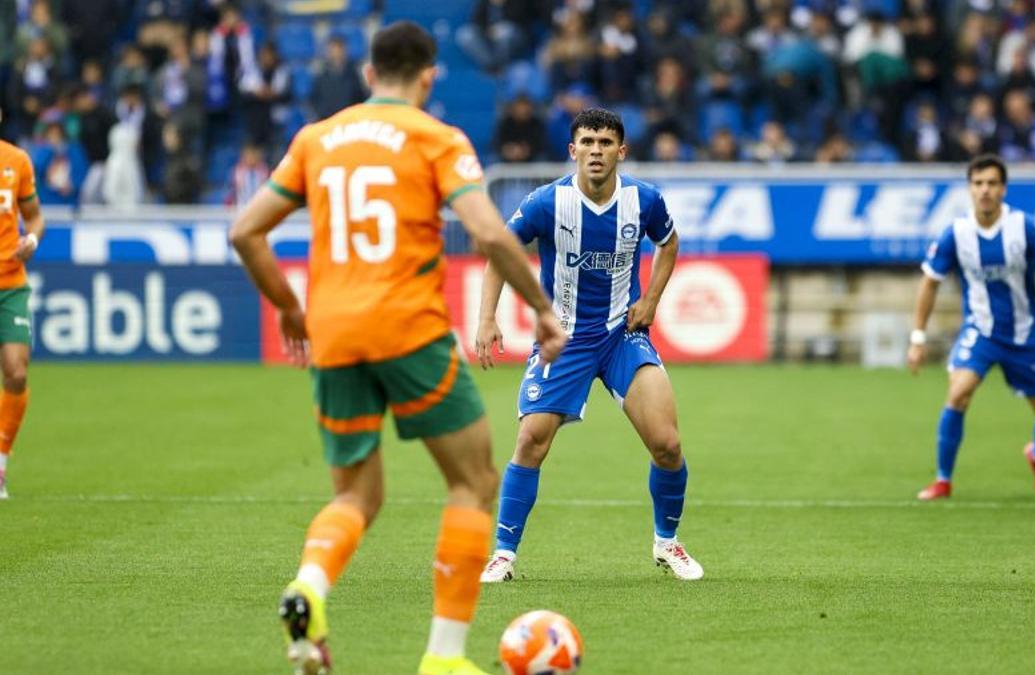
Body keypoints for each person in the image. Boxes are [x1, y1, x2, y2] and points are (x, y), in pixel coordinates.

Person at [228, 21, 566, 675]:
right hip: (407, 328)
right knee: (471, 480)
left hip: (332, 333)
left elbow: (246, 231)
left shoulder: (315, 138)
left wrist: (291, 309)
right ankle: (443, 657)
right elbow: (492, 234)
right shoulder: (435, 138)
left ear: (366, 74)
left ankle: (309, 587)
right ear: (430, 75)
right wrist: (544, 311)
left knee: (355, 494)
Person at [474, 107, 704, 583]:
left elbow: (670, 242)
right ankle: (503, 553)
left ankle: (667, 542)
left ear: (621, 151)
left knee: (667, 443)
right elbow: (500, 249)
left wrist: (653, 300)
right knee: (531, 440)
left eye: (605, 143)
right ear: (572, 149)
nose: (595, 151)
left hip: (623, 335)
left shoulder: (644, 200)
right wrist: (486, 318)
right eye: (587, 142)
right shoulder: (546, 202)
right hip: (565, 339)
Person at [908, 154, 1035, 500]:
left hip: (1024, 337)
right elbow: (929, 282)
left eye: (992, 183)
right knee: (958, 392)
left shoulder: (1024, 227)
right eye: (978, 184)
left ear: (1003, 188)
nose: (985, 191)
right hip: (980, 332)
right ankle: (943, 480)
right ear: (970, 189)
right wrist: (917, 338)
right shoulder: (956, 233)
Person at [0, 109, 46, 499]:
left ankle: (0, 462)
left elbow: (34, 218)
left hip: (10, 283)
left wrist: (32, 240)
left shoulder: (17, 161)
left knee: (16, 371)